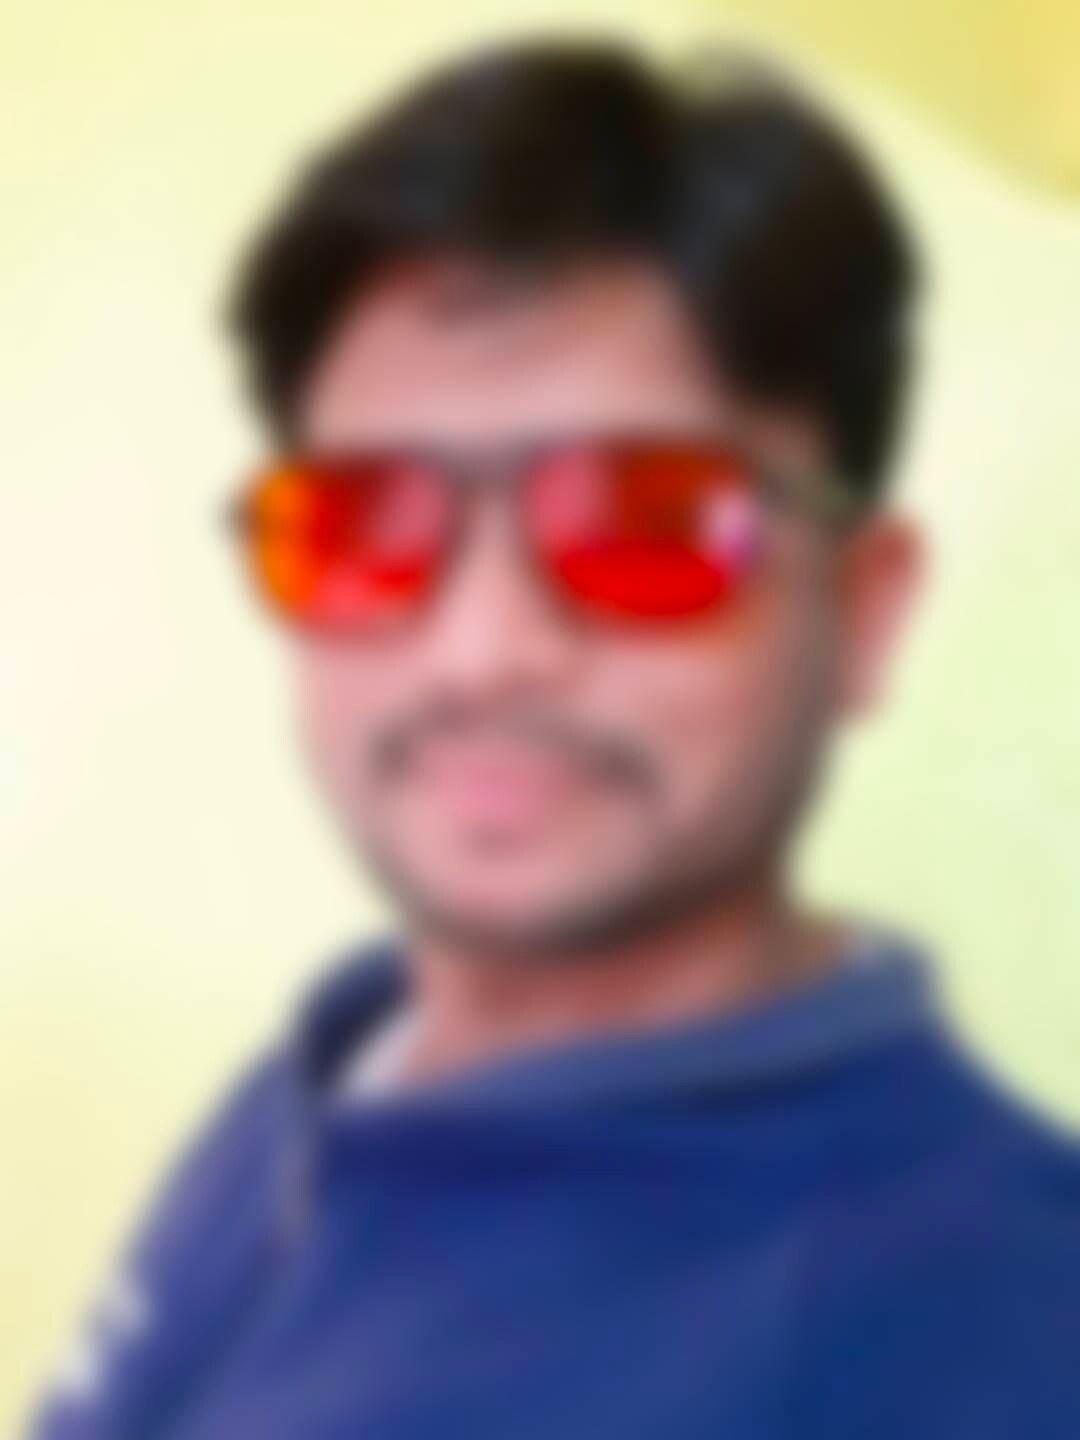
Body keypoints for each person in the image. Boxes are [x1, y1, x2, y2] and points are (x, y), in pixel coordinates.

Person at [29, 35, 1079, 1440]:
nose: (480, 649)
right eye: (364, 522)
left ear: (863, 610)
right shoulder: (342, 1059)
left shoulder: (1000, 1331)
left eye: (643, 524)